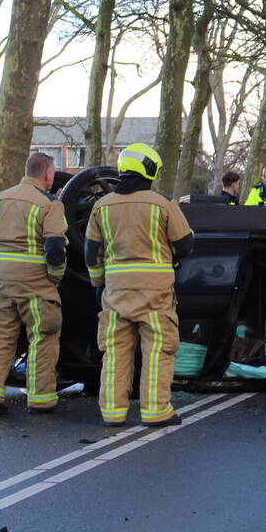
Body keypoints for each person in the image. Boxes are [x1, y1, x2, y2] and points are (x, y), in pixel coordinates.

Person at [85, 143, 195, 426]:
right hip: (155, 293)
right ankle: (156, 412)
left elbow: (90, 252)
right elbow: (185, 245)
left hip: (116, 292)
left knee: (115, 351)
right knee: (158, 349)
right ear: (149, 170)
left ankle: (112, 412)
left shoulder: (101, 206)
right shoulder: (162, 203)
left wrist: (99, 283)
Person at [0, 152, 68, 415]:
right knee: (42, 338)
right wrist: (55, 277)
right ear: (48, 174)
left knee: (0, 338)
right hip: (36, 285)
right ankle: (40, 399)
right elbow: (55, 247)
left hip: (1, 283)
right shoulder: (50, 204)